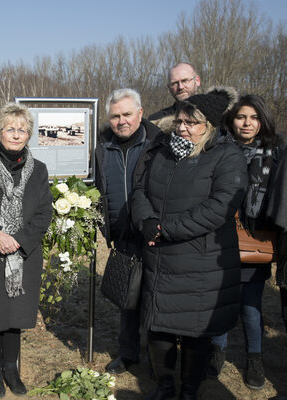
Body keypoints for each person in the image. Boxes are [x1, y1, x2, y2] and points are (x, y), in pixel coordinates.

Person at [131, 87, 247, 399]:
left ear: (209, 125)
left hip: (200, 260)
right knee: (159, 326)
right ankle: (165, 385)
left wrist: (165, 229)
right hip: (159, 256)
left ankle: (190, 389)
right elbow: (139, 187)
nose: (182, 128)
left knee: (196, 332)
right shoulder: (161, 149)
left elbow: (218, 208)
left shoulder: (227, 156)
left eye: (191, 123)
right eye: (180, 121)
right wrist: (146, 222)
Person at [0, 103, 53, 398]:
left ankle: (11, 368)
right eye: (10, 128)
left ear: (29, 135)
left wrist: (21, 239)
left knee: (15, 313)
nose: (16, 134)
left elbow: (44, 212)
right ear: (0, 132)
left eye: (22, 130)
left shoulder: (39, 170)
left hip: (23, 254)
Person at [210, 95, 284, 389]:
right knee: (221, 299)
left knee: (251, 304)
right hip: (220, 237)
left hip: (256, 237)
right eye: (242, 117)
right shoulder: (218, 150)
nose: (247, 123)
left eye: (254, 117)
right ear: (232, 120)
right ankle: (217, 351)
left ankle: (255, 357)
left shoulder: (274, 153)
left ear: (262, 121)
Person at [95, 88, 162, 374]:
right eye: (115, 116)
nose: (121, 121)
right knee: (128, 295)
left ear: (140, 113)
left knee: (156, 295)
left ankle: (160, 357)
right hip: (121, 233)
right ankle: (129, 352)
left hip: (154, 231)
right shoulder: (100, 146)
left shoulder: (159, 142)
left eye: (127, 114)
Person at [148, 62, 201, 130]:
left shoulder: (213, 114)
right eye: (174, 83)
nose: (180, 87)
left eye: (185, 81)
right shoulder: (156, 121)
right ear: (169, 87)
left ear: (197, 81)